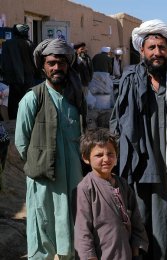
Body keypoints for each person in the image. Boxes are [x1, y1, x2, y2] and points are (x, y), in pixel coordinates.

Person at [109, 19, 167, 260]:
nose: (157, 52)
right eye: (152, 47)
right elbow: (118, 120)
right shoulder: (129, 79)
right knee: (140, 218)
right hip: (139, 164)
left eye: (162, 47)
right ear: (142, 50)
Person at [15, 38, 87, 259]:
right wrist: (41, 160)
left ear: (68, 66)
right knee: (42, 228)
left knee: (73, 226)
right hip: (44, 178)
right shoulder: (31, 98)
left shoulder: (76, 98)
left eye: (62, 63)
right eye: (51, 63)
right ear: (43, 66)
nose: (57, 68)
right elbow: (21, 143)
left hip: (74, 178)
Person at [75, 128, 149, 260]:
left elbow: (136, 221)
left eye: (110, 154)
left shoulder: (123, 185)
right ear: (86, 158)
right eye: (99, 155)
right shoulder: (85, 188)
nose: (106, 159)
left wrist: (136, 253)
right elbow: (83, 231)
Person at [1, 24, 36, 119]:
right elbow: (35, 62)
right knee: (28, 101)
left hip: (14, 79)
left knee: (14, 103)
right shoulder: (30, 44)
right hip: (28, 78)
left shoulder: (8, 44)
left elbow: (4, 62)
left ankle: (14, 122)